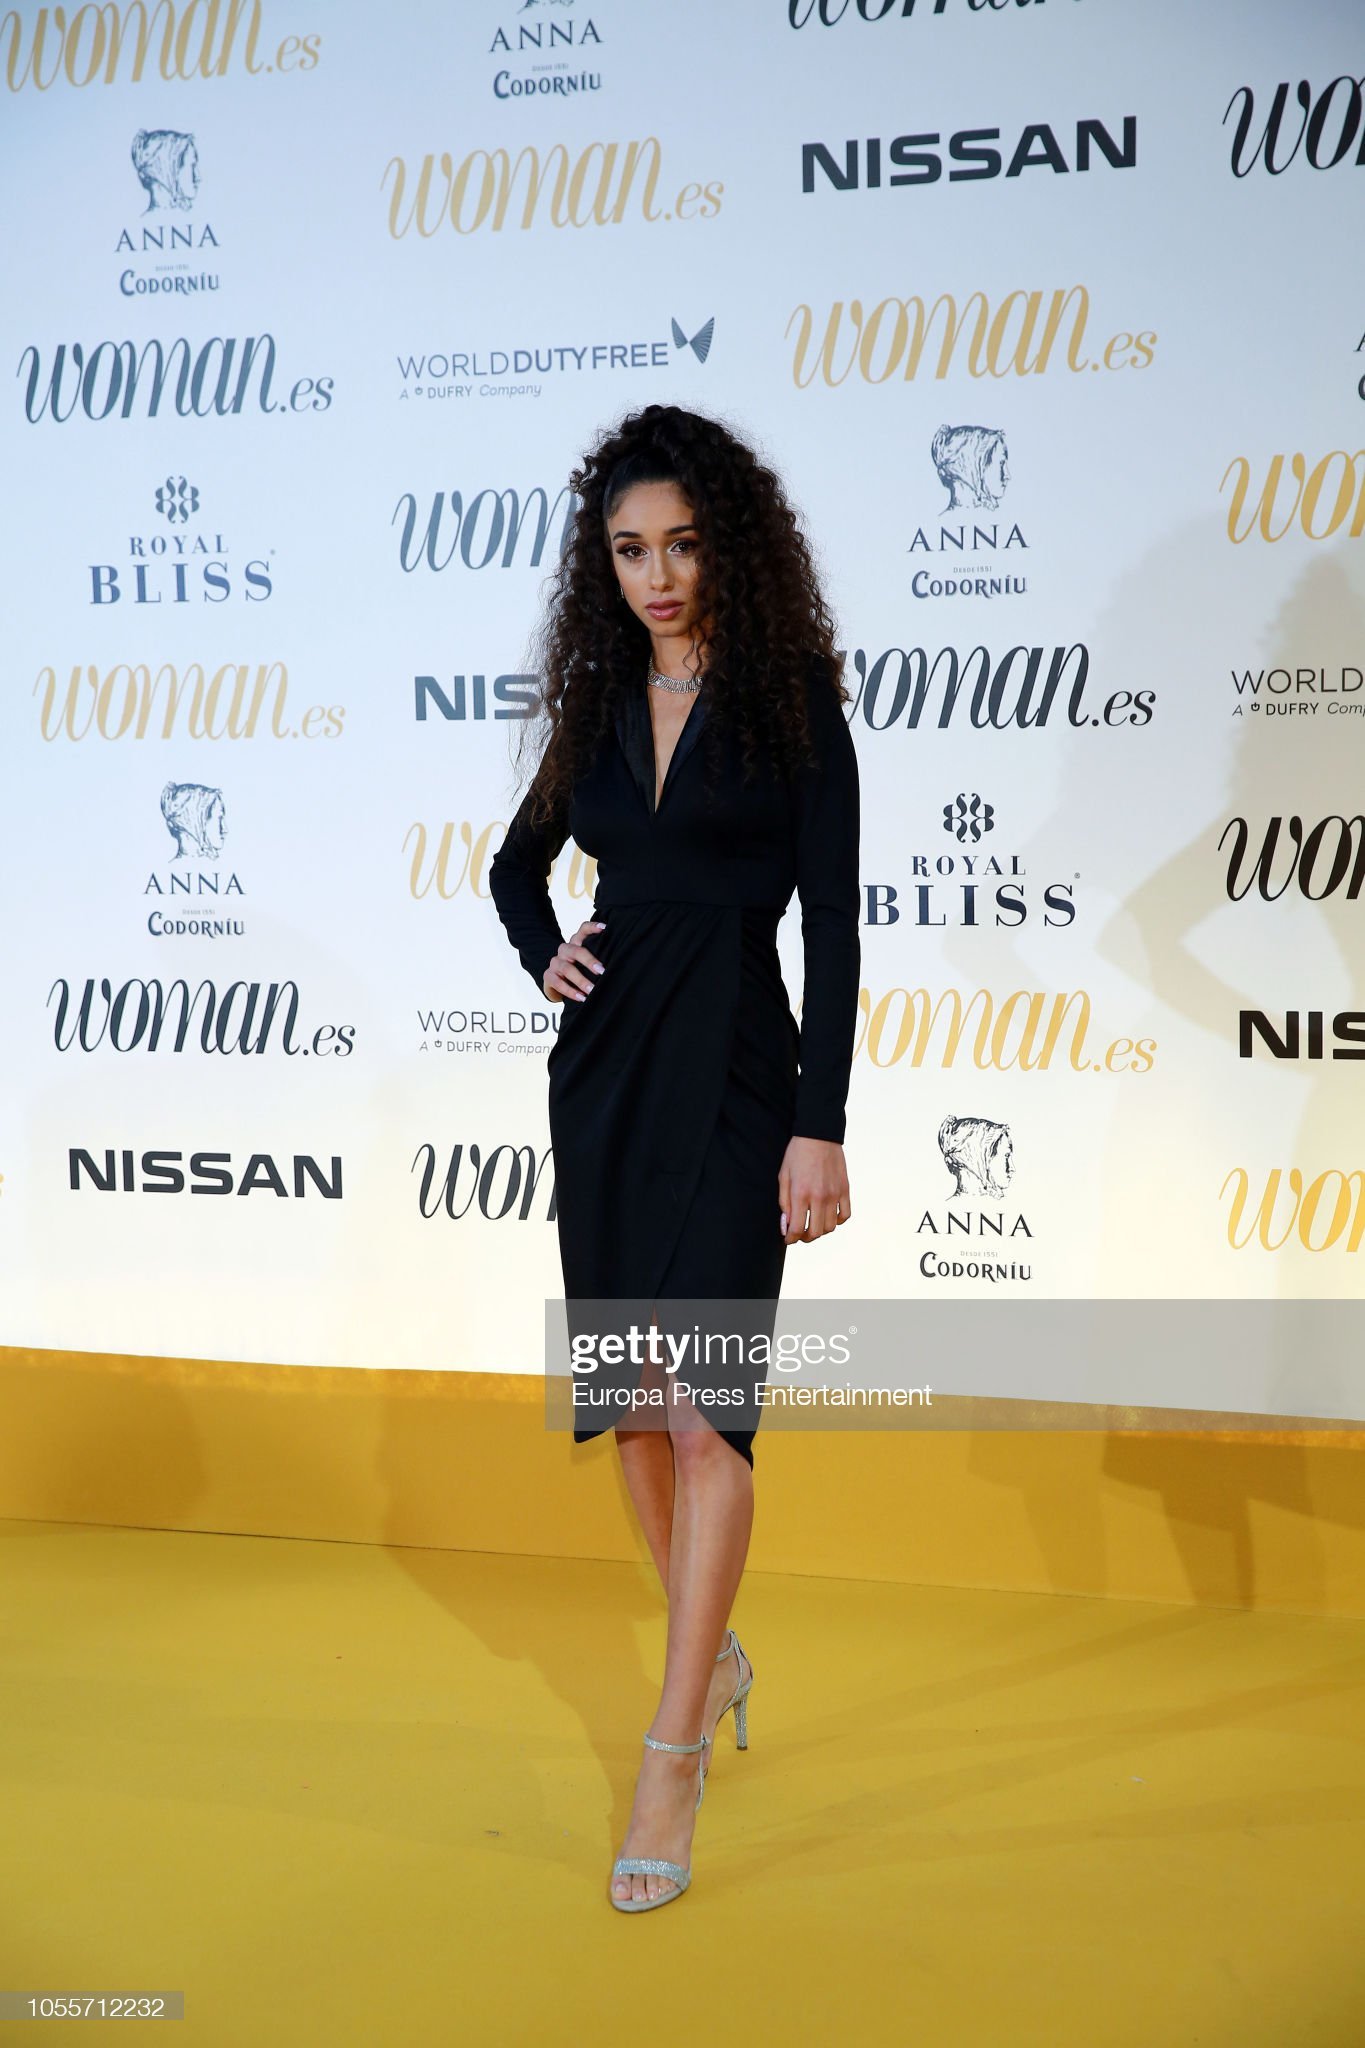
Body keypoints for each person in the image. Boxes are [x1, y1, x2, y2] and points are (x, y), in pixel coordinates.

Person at [488, 402, 861, 1912]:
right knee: (637, 1413)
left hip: (735, 1073)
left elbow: (834, 930)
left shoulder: (790, 704)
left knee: (710, 1419)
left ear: (730, 548)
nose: (656, 575)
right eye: (630, 549)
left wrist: (820, 1122)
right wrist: (545, 953)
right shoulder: (593, 703)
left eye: (683, 544)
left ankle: (671, 1751)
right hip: (606, 1080)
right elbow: (515, 865)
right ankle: (712, 1659)